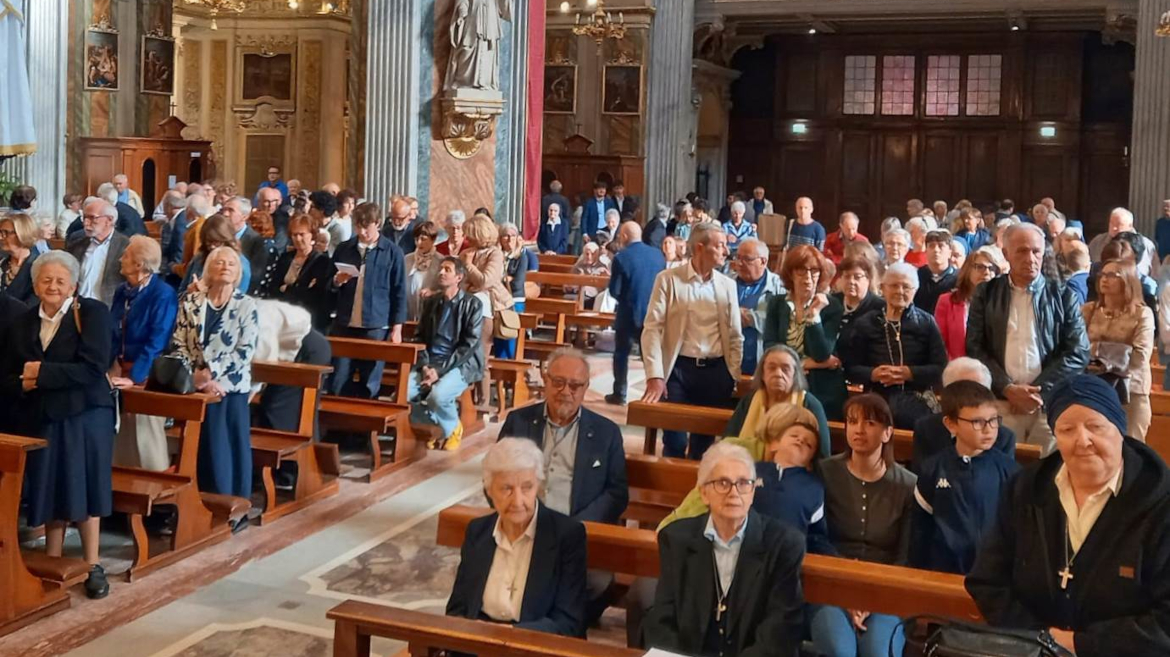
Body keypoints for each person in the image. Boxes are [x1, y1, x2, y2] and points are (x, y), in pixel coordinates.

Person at [965, 374, 1170, 656]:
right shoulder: (1025, 489)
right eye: (1067, 429)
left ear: (1120, 429)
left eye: (1095, 426)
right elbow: (987, 581)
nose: (1082, 441)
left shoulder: (1160, 502)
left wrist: (1078, 645)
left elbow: (1165, 623)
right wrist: (1041, 639)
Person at [1, 251, 117, 599]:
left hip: (85, 416)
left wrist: (41, 374)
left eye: (60, 280)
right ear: (35, 284)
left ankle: (93, 564)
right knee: (49, 487)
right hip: (42, 418)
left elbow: (94, 367)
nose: (53, 286)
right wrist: (24, 381)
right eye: (46, 280)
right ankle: (51, 562)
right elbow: (8, 372)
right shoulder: (21, 321)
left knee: (84, 487)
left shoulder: (92, 313)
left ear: (74, 284)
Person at [644, 442, 805, 657]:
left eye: (743, 483)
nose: (734, 492)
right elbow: (663, 617)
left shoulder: (783, 544)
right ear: (704, 493)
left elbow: (780, 629)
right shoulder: (676, 539)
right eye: (722, 483)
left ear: (753, 492)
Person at [967, 223, 1089, 455]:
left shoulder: (1063, 295)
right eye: (1022, 251)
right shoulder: (986, 293)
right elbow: (975, 348)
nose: (1030, 258)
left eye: (1036, 251)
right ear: (1006, 254)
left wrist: (1039, 391)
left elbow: (1078, 352)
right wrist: (1008, 388)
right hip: (1002, 402)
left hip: (1047, 404)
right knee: (1004, 475)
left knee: (1043, 478)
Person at [445, 438, 587, 638]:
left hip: (534, 646)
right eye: (506, 489)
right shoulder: (478, 532)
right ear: (489, 491)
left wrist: (510, 636)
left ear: (538, 486)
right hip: (478, 645)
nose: (518, 501)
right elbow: (458, 610)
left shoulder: (566, 535)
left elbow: (569, 623)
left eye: (527, 487)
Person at [812, 394, 916, 657]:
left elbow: (905, 556)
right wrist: (847, 594)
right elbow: (816, 539)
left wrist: (871, 598)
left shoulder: (908, 485)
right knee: (839, 651)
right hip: (831, 585)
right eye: (852, 421)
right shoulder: (825, 472)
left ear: (887, 432)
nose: (858, 429)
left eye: (869, 422)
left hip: (885, 590)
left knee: (876, 652)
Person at [171, 247, 259, 526]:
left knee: (229, 448)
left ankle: (236, 509)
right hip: (197, 388)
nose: (224, 266)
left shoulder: (246, 305)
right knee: (201, 448)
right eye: (218, 262)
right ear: (208, 268)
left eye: (231, 263)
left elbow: (245, 350)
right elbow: (179, 342)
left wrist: (211, 376)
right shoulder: (192, 302)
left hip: (229, 388)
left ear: (239, 272)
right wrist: (195, 376)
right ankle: (200, 506)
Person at [641, 223, 743, 459]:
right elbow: (652, 329)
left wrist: (733, 373)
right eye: (719, 246)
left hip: (716, 371)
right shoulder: (668, 280)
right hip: (678, 369)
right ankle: (671, 495)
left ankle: (696, 494)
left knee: (703, 446)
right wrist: (655, 375)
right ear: (699, 248)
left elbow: (736, 334)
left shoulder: (727, 285)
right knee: (674, 440)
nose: (726, 251)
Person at [910, 380, 1020, 574]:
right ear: (951, 424)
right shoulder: (933, 469)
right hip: (943, 573)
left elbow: (1018, 531)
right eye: (977, 422)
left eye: (993, 420)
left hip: (994, 576)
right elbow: (920, 531)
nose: (988, 429)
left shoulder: (1010, 471)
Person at [843, 262, 948, 429]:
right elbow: (850, 367)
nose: (900, 291)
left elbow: (940, 367)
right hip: (875, 401)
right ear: (883, 288)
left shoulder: (926, 322)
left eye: (906, 287)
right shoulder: (866, 323)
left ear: (915, 290)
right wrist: (873, 374)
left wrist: (910, 373)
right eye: (894, 286)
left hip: (918, 402)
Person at [108, 236, 179, 471]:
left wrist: (135, 376)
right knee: (122, 434)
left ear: (140, 264)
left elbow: (157, 340)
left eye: (126, 255)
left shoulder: (163, 294)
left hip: (145, 371)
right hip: (120, 368)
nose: (121, 258)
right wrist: (114, 361)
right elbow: (113, 328)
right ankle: (124, 490)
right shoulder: (122, 290)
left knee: (145, 433)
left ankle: (156, 492)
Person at [329, 202, 408, 398]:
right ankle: (337, 426)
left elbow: (399, 292)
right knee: (338, 379)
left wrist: (396, 329)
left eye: (367, 226)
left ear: (378, 223)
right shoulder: (344, 248)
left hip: (375, 326)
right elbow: (328, 285)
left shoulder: (392, 252)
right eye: (358, 226)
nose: (362, 232)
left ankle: (364, 429)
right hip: (345, 323)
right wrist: (336, 281)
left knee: (369, 382)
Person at [407, 257, 484, 451]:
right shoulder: (432, 302)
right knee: (404, 394)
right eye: (441, 269)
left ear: (458, 277)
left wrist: (438, 372)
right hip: (429, 362)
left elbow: (469, 345)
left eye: (447, 270)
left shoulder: (472, 304)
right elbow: (419, 338)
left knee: (437, 397)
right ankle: (436, 427)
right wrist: (425, 366)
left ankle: (452, 428)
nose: (441, 273)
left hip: (459, 364)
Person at [762, 245, 846, 421]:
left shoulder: (832, 307)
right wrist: (801, 365)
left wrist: (814, 316)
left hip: (821, 390)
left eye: (814, 271)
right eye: (801, 271)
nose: (808, 278)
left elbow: (822, 354)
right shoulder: (777, 304)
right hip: (784, 383)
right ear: (791, 274)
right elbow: (770, 346)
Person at [1082, 259, 1155, 441]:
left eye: (1112, 275)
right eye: (1102, 275)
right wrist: (1119, 351)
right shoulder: (1089, 310)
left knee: (1131, 448)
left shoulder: (1142, 314)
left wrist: (1097, 350)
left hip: (1131, 392)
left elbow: (1139, 356)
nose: (1104, 279)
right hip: (1094, 388)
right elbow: (1077, 349)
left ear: (1128, 280)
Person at [911, 358, 1017, 475]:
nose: (973, 400)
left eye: (978, 393)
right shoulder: (926, 428)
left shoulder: (1004, 438)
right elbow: (921, 475)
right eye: (963, 393)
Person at [724, 344, 831, 456]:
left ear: (795, 375)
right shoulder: (749, 400)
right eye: (772, 368)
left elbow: (823, 454)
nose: (778, 374)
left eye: (785, 369)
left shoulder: (809, 404)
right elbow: (728, 442)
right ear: (762, 374)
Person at [606, 222, 666, 405]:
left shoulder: (621, 258)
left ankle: (620, 393)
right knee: (652, 355)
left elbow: (614, 291)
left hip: (628, 314)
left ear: (624, 236)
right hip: (654, 314)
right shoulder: (658, 255)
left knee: (621, 354)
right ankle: (656, 393)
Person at [460, 215, 512, 402]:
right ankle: (466, 400)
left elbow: (485, 281)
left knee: (480, 357)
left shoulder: (494, 254)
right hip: (465, 308)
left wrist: (468, 265)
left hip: (485, 311)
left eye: (470, 235)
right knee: (463, 355)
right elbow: (460, 280)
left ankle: (483, 401)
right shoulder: (467, 251)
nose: (467, 239)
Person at [263, 213, 337, 331]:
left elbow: (314, 294)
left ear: (312, 235)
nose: (297, 239)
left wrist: (287, 288)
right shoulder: (285, 258)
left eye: (302, 234)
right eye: (294, 235)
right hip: (283, 317)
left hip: (309, 320)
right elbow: (273, 287)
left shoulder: (322, 262)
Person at [934, 246, 1001, 359]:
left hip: (993, 370)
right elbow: (939, 344)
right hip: (957, 368)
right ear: (968, 270)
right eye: (980, 267)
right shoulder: (947, 301)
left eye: (992, 268)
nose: (986, 272)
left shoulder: (1001, 303)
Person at [733, 238, 785, 376]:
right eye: (737, 258)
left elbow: (781, 325)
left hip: (764, 367)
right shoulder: (726, 283)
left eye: (746, 259)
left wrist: (749, 318)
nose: (739, 263)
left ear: (763, 261)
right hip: (728, 367)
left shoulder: (780, 287)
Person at [66, 198, 130, 307]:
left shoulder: (125, 246)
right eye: (84, 217)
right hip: (77, 308)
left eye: (92, 218)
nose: (86, 223)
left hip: (108, 308)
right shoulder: (76, 242)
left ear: (109, 220)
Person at [179, 214, 253, 295]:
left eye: (216, 242)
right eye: (209, 242)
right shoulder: (199, 259)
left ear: (226, 239)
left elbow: (238, 300)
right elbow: (181, 291)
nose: (212, 247)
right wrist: (190, 292)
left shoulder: (241, 265)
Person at [495, 224, 537, 359]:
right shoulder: (496, 256)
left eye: (513, 236)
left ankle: (510, 367)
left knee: (510, 335)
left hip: (515, 301)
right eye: (506, 235)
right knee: (499, 335)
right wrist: (504, 279)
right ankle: (500, 369)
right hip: (498, 301)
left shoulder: (521, 257)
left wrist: (503, 279)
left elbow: (518, 284)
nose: (509, 239)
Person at [1089, 207, 1158, 278]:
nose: (1114, 228)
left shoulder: (1146, 245)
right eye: (1112, 223)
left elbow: (1156, 272)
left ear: (1130, 226)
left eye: (1119, 224)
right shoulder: (1097, 242)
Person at [834, 254, 884, 349]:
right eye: (847, 276)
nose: (851, 281)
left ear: (868, 279)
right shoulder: (832, 302)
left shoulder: (879, 308)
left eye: (857, 277)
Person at [404, 220, 441, 321]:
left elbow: (447, 289)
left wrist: (433, 292)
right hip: (408, 313)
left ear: (433, 240)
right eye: (416, 239)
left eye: (423, 239)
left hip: (431, 315)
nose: (419, 243)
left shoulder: (440, 261)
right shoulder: (407, 259)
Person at [0, 213, 40, 303]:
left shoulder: (39, 266)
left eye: (6, 233)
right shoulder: (2, 263)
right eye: (0, 232)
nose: (0, 237)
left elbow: (33, 304)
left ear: (22, 234)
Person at [914, 229, 957, 314]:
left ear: (950, 252)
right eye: (931, 246)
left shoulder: (959, 279)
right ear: (926, 251)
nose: (936, 250)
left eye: (941, 246)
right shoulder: (916, 277)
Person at [580, 181, 617, 248]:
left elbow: (615, 215)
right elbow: (584, 218)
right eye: (599, 188)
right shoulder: (589, 203)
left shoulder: (609, 202)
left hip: (607, 231)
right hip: (592, 232)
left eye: (604, 188)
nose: (602, 190)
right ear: (594, 190)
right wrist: (584, 233)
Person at [1064, 240, 1092, 305]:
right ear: (1088, 265)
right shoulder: (1094, 279)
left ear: (1068, 266)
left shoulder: (1072, 283)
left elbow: (1076, 306)